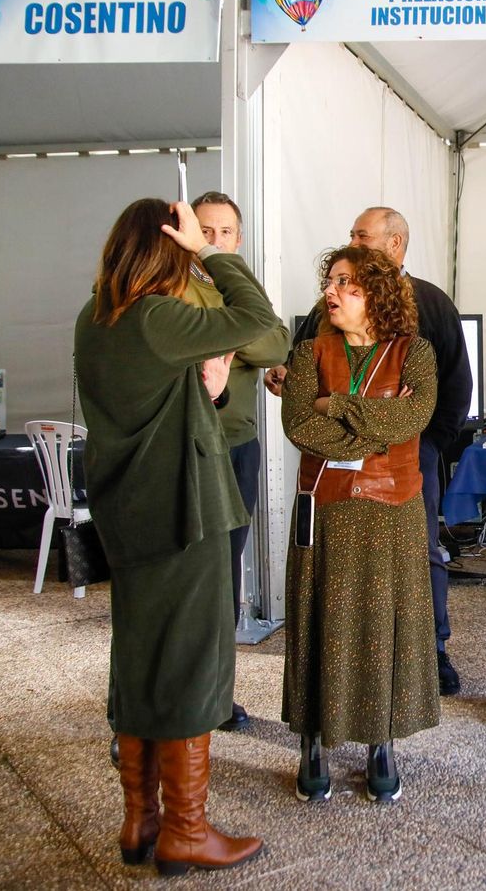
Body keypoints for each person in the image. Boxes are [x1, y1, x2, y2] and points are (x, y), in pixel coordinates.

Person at [75, 199, 275, 875]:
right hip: (183, 512)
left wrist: (209, 394)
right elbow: (258, 318)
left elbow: (154, 402)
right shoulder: (157, 317)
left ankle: (141, 820)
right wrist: (211, 253)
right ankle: (186, 830)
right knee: (191, 660)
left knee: (139, 658)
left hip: (128, 512)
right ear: (170, 248)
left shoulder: (95, 316)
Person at [269, 206, 471, 696]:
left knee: (420, 555)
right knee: (336, 568)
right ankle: (337, 673)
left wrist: (424, 442)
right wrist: (379, 427)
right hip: (332, 469)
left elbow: (450, 387)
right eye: (352, 236)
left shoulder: (432, 304)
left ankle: (433, 649)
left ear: (395, 243)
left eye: (362, 236)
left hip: (411, 458)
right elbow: (301, 403)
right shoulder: (324, 316)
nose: (353, 242)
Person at [280, 244, 439, 805]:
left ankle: (381, 741)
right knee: (316, 617)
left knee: (383, 623)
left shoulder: (415, 351)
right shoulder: (309, 352)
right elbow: (299, 424)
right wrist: (373, 433)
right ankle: (312, 741)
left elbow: (414, 416)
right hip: (324, 505)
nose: (332, 291)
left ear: (377, 293)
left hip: (393, 508)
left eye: (346, 282)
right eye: (330, 281)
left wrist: (335, 405)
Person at [183, 191, 290, 732]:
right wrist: (246, 330)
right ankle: (186, 693)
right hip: (192, 445)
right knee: (191, 572)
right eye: (205, 230)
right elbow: (255, 338)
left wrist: (233, 333)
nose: (214, 241)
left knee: (227, 568)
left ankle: (217, 694)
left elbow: (277, 346)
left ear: (238, 238)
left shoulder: (239, 281)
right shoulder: (175, 284)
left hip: (240, 443)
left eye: (225, 232)